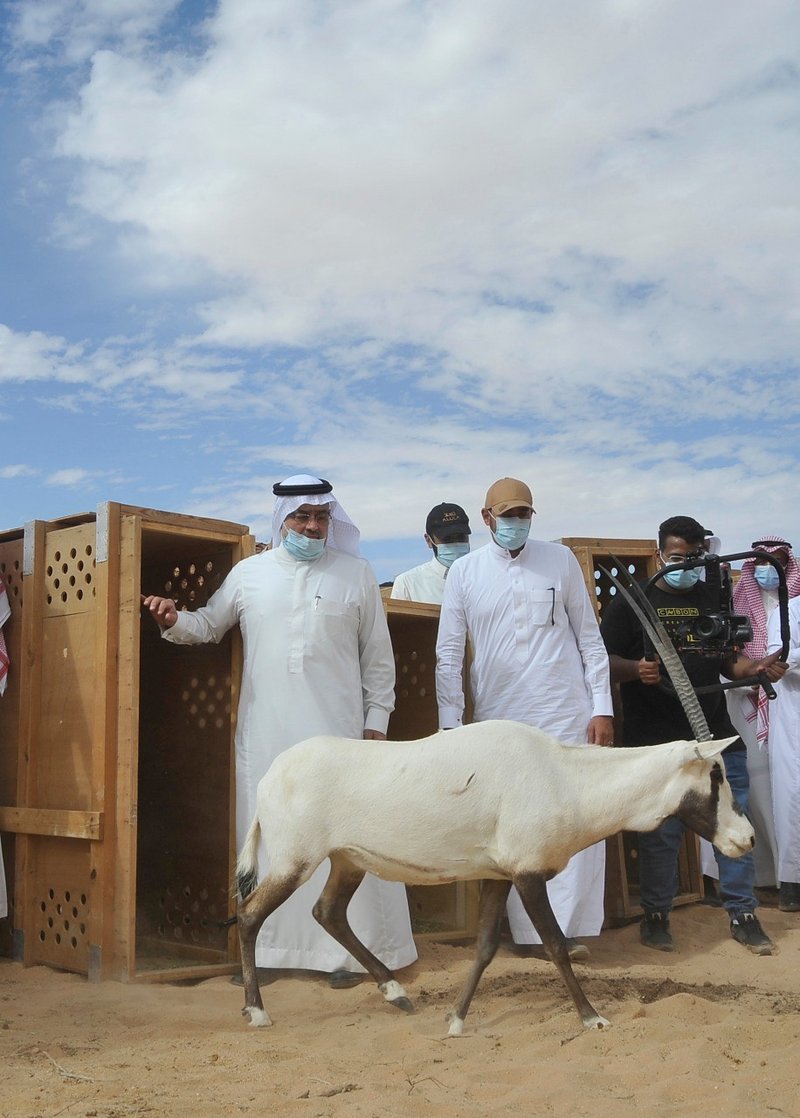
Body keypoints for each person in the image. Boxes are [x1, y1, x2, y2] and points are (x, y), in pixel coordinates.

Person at [143, 474, 417, 986]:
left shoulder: (356, 573)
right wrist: (171, 618)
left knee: (346, 841)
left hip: (338, 737)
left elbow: (378, 660)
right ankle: (266, 953)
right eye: (302, 517)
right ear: (281, 521)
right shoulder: (249, 574)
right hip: (267, 735)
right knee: (269, 839)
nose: (312, 526)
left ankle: (346, 958)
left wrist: (376, 723)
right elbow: (206, 626)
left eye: (321, 518)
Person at [435, 477, 614, 959]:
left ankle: (570, 927)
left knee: (573, 813)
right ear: (486, 517)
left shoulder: (560, 561)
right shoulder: (465, 573)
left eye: (523, 515)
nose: (515, 523)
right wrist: (450, 725)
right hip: (501, 716)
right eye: (506, 515)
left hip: (565, 709)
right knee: (513, 822)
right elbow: (448, 654)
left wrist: (602, 707)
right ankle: (531, 933)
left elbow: (589, 639)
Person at [600, 515, 787, 954]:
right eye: (678, 557)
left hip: (715, 736)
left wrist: (755, 669)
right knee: (660, 834)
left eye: (694, 557)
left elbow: (730, 662)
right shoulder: (632, 603)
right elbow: (598, 661)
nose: (685, 566)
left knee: (732, 826)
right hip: (655, 744)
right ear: (660, 551)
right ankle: (656, 917)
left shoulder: (712, 597)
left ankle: (743, 915)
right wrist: (634, 670)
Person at [725, 537, 800, 893]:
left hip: (787, 709)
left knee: (786, 795)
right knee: (756, 793)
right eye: (762, 565)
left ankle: (789, 877)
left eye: (778, 564)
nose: (769, 572)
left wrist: (786, 667)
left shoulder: (796, 606)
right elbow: (727, 660)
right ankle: (767, 878)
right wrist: (747, 679)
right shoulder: (739, 604)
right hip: (747, 709)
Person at [767, 591, 800, 911]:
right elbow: (779, 660)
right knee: (793, 801)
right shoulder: (788, 611)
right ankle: (792, 884)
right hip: (793, 719)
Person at [391, 502, 471, 605]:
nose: (455, 543)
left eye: (461, 537)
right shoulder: (407, 584)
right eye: (447, 539)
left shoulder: (484, 577)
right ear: (429, 540)